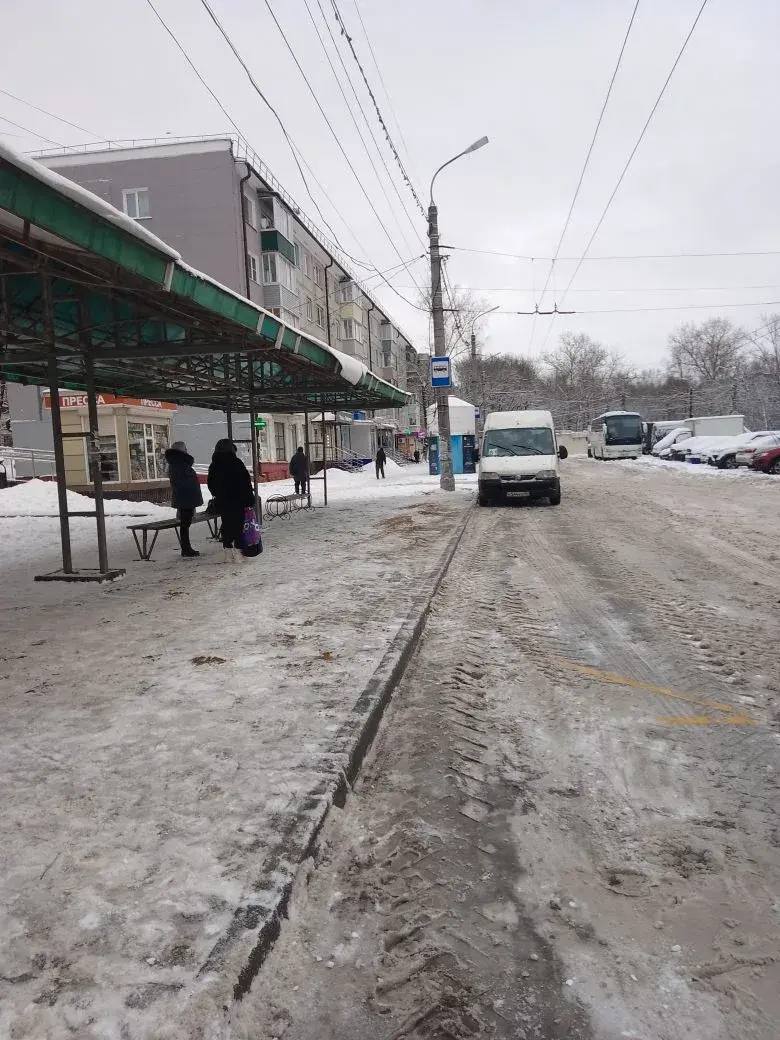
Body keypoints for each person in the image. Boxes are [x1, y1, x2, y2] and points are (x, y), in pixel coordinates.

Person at [207, 438, 255, 563]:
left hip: (223, 501)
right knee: (238, 526)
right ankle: (238, 553)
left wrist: (219, 494)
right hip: (238, 500)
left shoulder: (214, 465)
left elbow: (211, 484)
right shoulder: (236, 463)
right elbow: (245, 482)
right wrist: (249, 498)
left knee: (226, 525)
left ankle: (228, 553)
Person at [165, 440, 203, 559]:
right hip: (185, 498)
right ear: (181, 450)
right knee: (185, 524)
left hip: (185, 498)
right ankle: (186, 549)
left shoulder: (177, 463)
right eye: (185, 448)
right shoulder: (179, 464)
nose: (187, 450)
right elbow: (183, 482)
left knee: (185, 523)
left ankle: (186, 548)